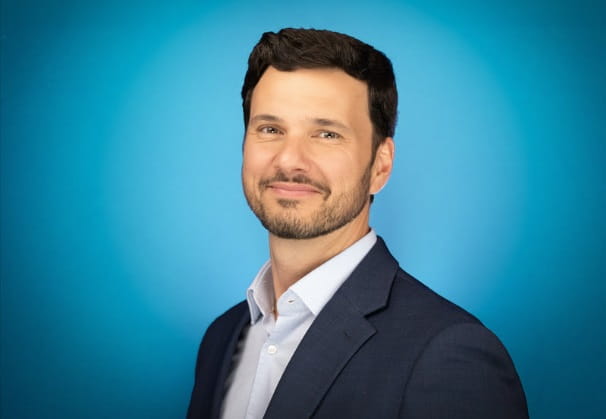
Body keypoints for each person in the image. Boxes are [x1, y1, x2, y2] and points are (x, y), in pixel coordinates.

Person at [187, 28, 528, 419]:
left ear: (380, 166)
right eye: (270, 129)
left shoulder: (449, 355)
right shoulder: (221, 338)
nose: (289, 160)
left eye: (327, 134)